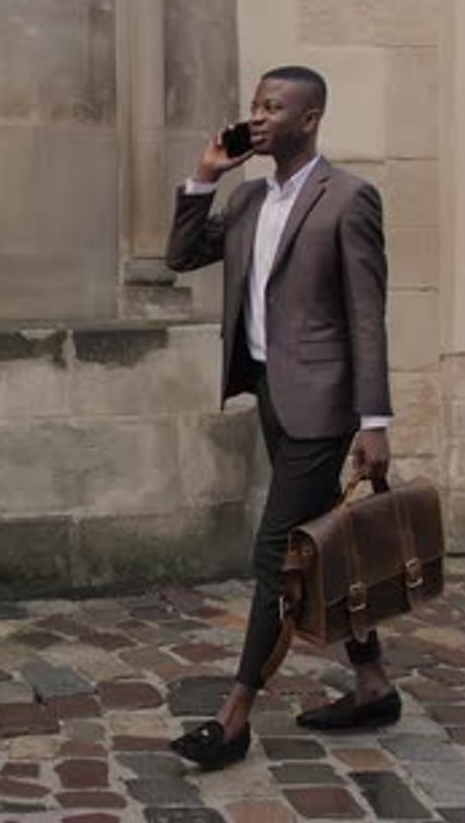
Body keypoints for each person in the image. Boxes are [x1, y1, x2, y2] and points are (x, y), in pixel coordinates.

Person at [166, 65, 400, 771]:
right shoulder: (243, 201)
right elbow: (179, 254)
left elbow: (367, 314)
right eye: (256, 105)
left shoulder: (349, 198)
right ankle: (373, 682)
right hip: (271, 393)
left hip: (325, 405)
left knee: (277, 553)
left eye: (276, 107)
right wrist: (205, 176)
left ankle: (235, 714)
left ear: (311, 118)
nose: (260, 117)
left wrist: (374, 418)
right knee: (326, 546)